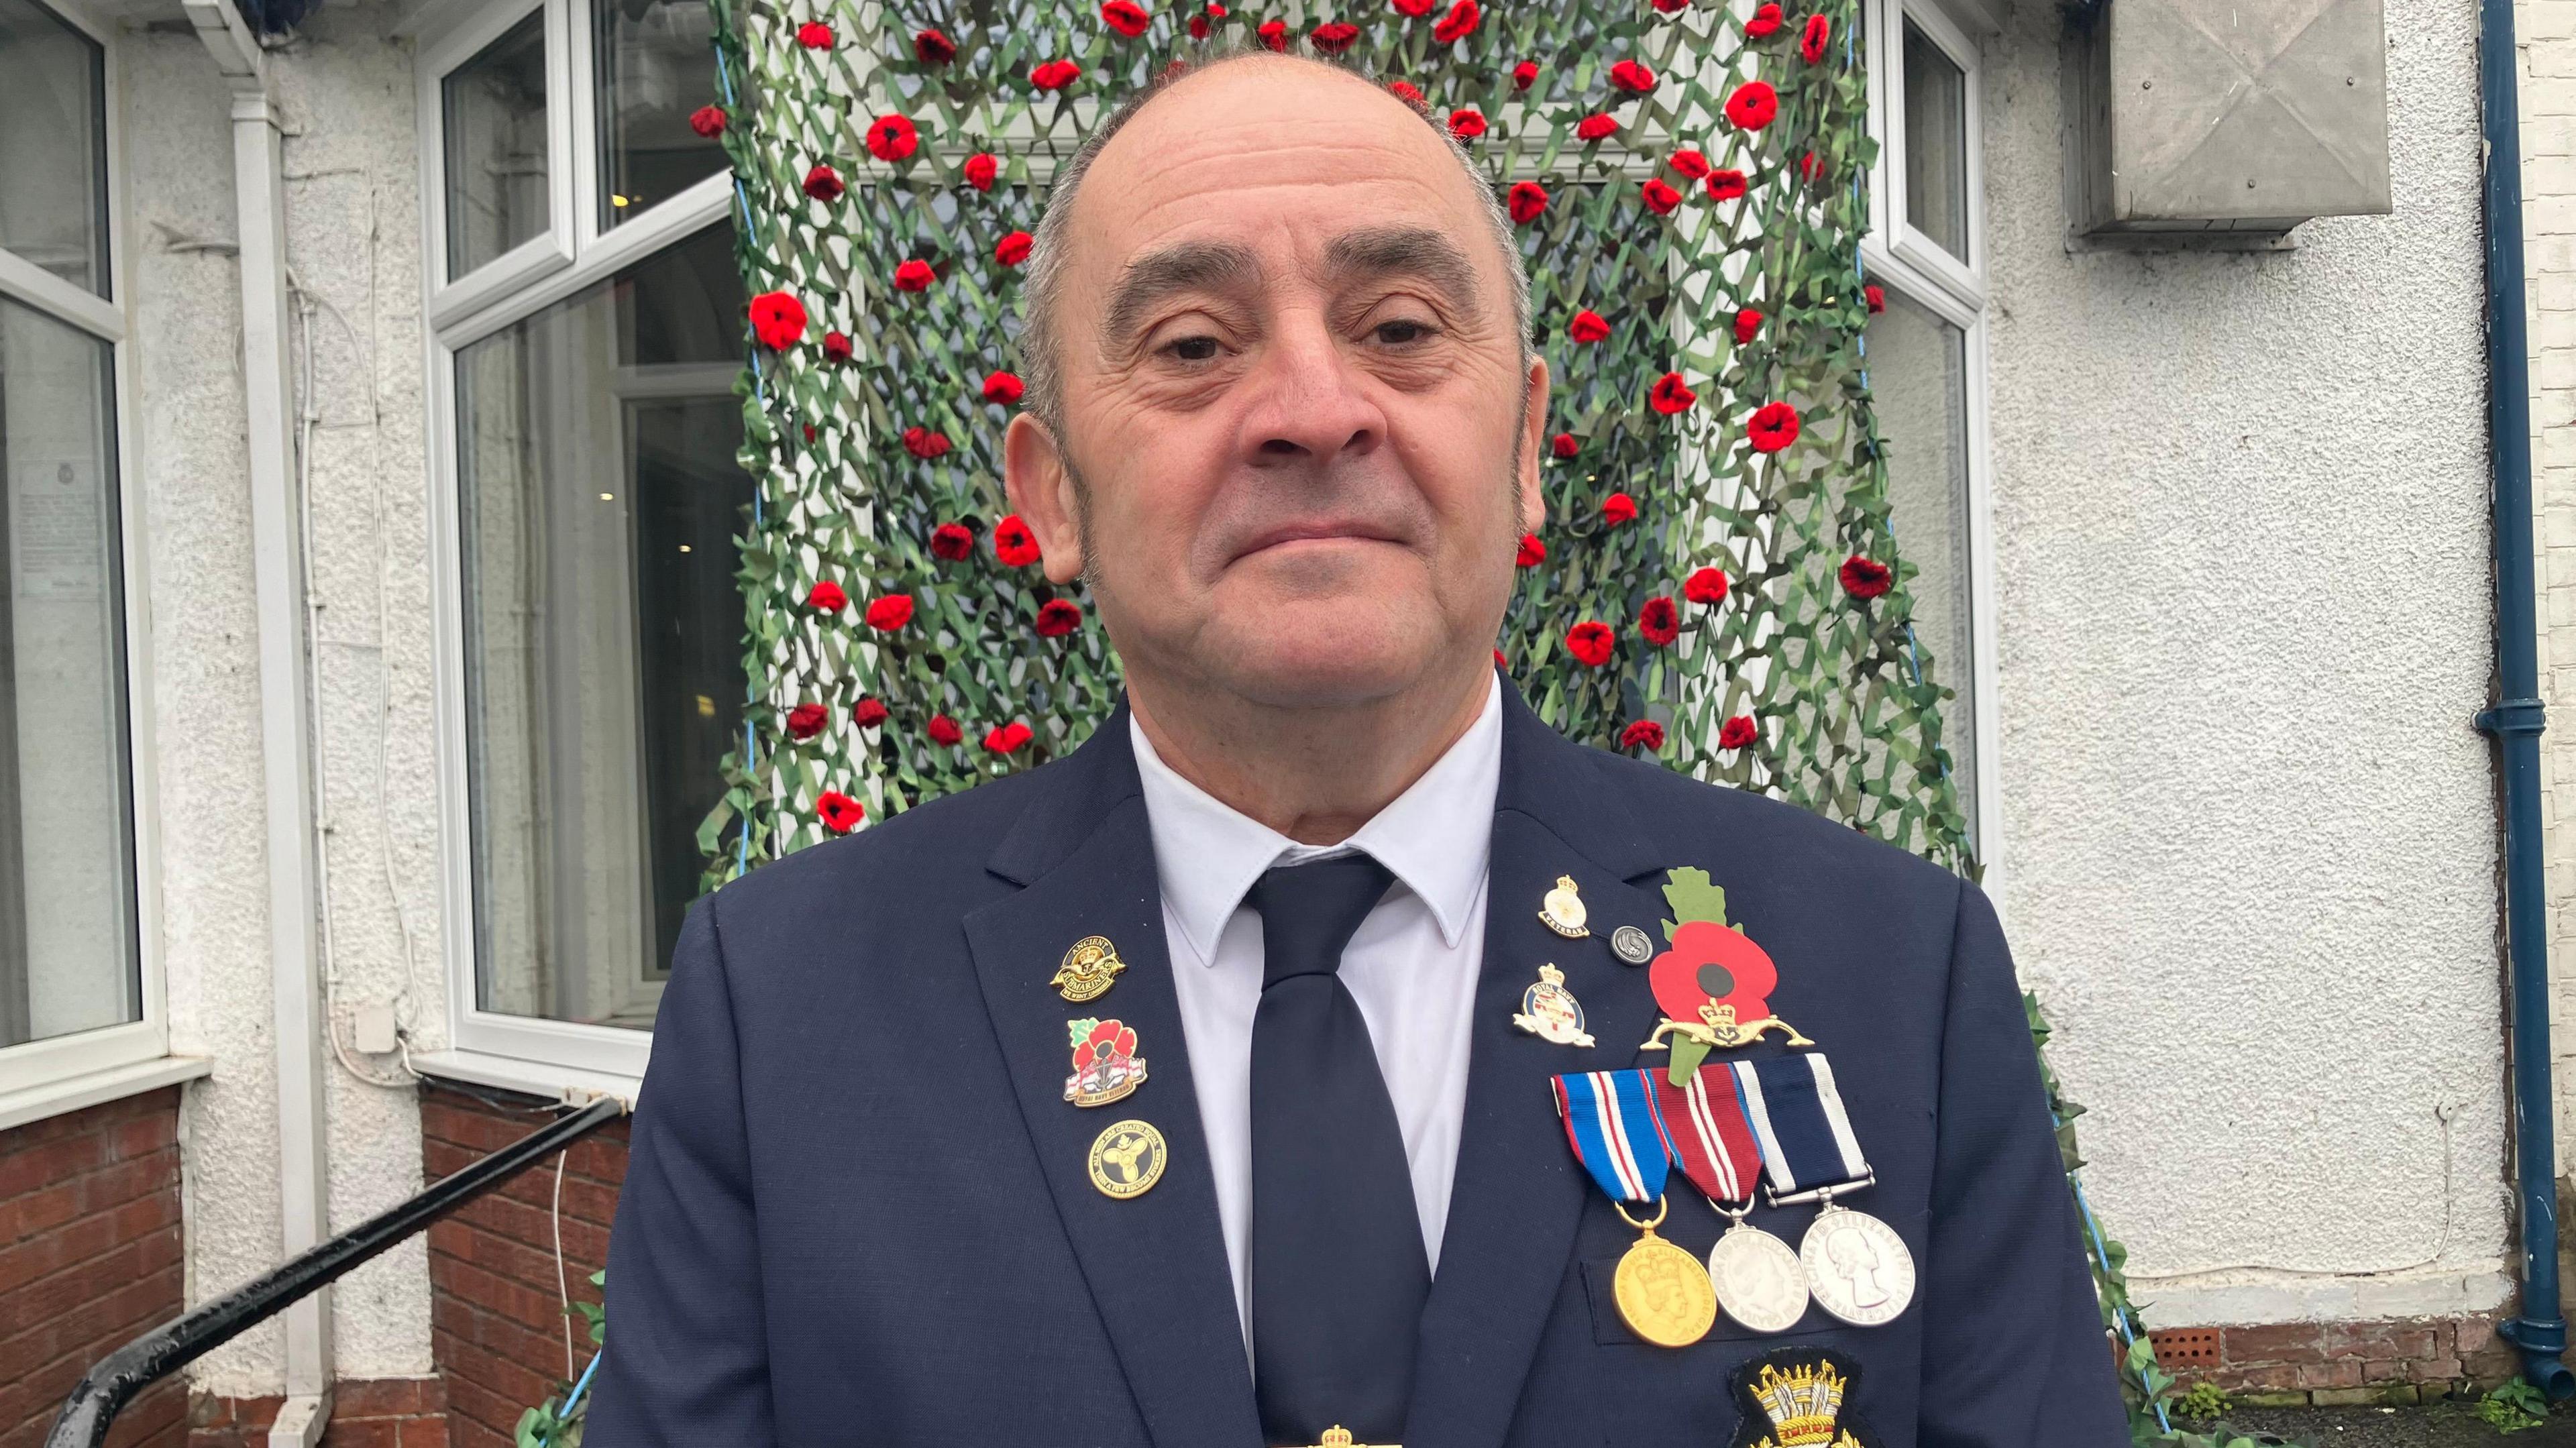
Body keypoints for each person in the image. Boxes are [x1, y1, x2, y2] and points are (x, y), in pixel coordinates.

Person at [584, 44, 2128, 1448]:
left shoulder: (1887, 975)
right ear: (1051, 498)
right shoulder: (787, 1013)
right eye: (1193, 346)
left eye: (1399, 328)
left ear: (1525, 451)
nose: (1315, 410)